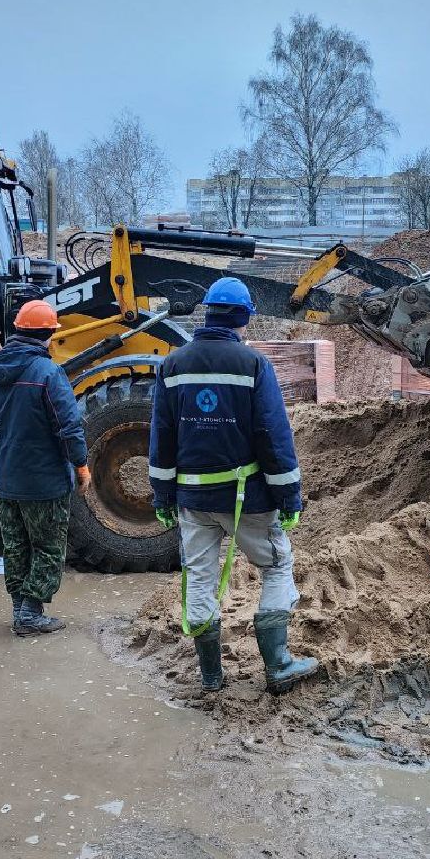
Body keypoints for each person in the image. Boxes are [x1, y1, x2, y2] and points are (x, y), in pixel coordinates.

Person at [147, 277, 320, 695]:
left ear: (208, 312)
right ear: (243, 317)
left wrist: (162, 495)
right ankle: (278, 664)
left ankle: (211, 676)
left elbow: (161, 436)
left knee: (199, 577)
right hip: (248, 500)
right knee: (276, 566)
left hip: (192, 501)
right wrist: (289, 495)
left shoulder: (172, 365)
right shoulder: (253, 364)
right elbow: (273, 435)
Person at [0, 299, 91, 636]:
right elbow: (68, 427)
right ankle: (29, 615)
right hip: (44, 482)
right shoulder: (48, 373)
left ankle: (19, 610)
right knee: (48, 545)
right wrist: (82, 466)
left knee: (16, 545)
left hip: (8, 478)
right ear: (49, 335)